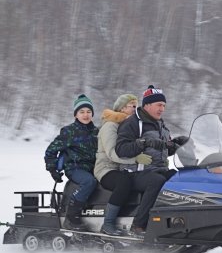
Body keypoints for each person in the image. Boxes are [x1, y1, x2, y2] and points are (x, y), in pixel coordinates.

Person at [114, 86, 189, 237]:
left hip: (158, 168)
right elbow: (121, 149)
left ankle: (179, 222)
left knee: (180, 178)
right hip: (135, 172)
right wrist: (143, 143)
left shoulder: (161, 125)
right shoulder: (133, 123)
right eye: (159, 105)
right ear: (147, 105)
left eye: (164, 106)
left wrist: (177, 144)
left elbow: (163, 149)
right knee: (156, 181)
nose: (162, 109)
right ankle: (138, 225)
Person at [92, 93, 151, 235]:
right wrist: (135, 160)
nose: (136, 110)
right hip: (106, 169)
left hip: (120, 167)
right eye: (133, 107)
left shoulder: (126, 125)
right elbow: (112, 154)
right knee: (124, 182)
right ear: (123, 108)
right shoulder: (110, 126)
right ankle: (108, 223)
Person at [45, 94, 99, 227]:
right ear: (76, 115)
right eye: (82, 112)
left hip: (93, 167)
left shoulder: (96, 132)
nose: (85, 115)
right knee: (88, 181)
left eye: (88, 112)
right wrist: (53, 169)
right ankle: (71, 216)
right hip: (75, 168)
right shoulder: (69, 132)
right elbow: (51, 151)